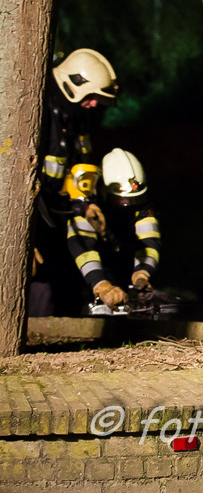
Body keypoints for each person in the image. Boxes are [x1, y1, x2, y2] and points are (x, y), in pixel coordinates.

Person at [30, 48, 120, 316]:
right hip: (29, 218)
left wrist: (86, 204)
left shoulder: (75, 119)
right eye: (91, 97)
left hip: (54, 219)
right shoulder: (36, 110)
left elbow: (79, 170)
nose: (93, 105)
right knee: (39, 293)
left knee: (65, 290)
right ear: (73, 84)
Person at [66, 148, 161, 310]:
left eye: (135, 200)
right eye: (121, 200)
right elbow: (83, 251)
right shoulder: (86, 207)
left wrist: (142, 274)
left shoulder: (143, 206)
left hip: (124, 258)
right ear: (104, 191)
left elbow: (150, 242)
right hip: (87, 268)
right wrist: (100, 284)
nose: (128, 206)